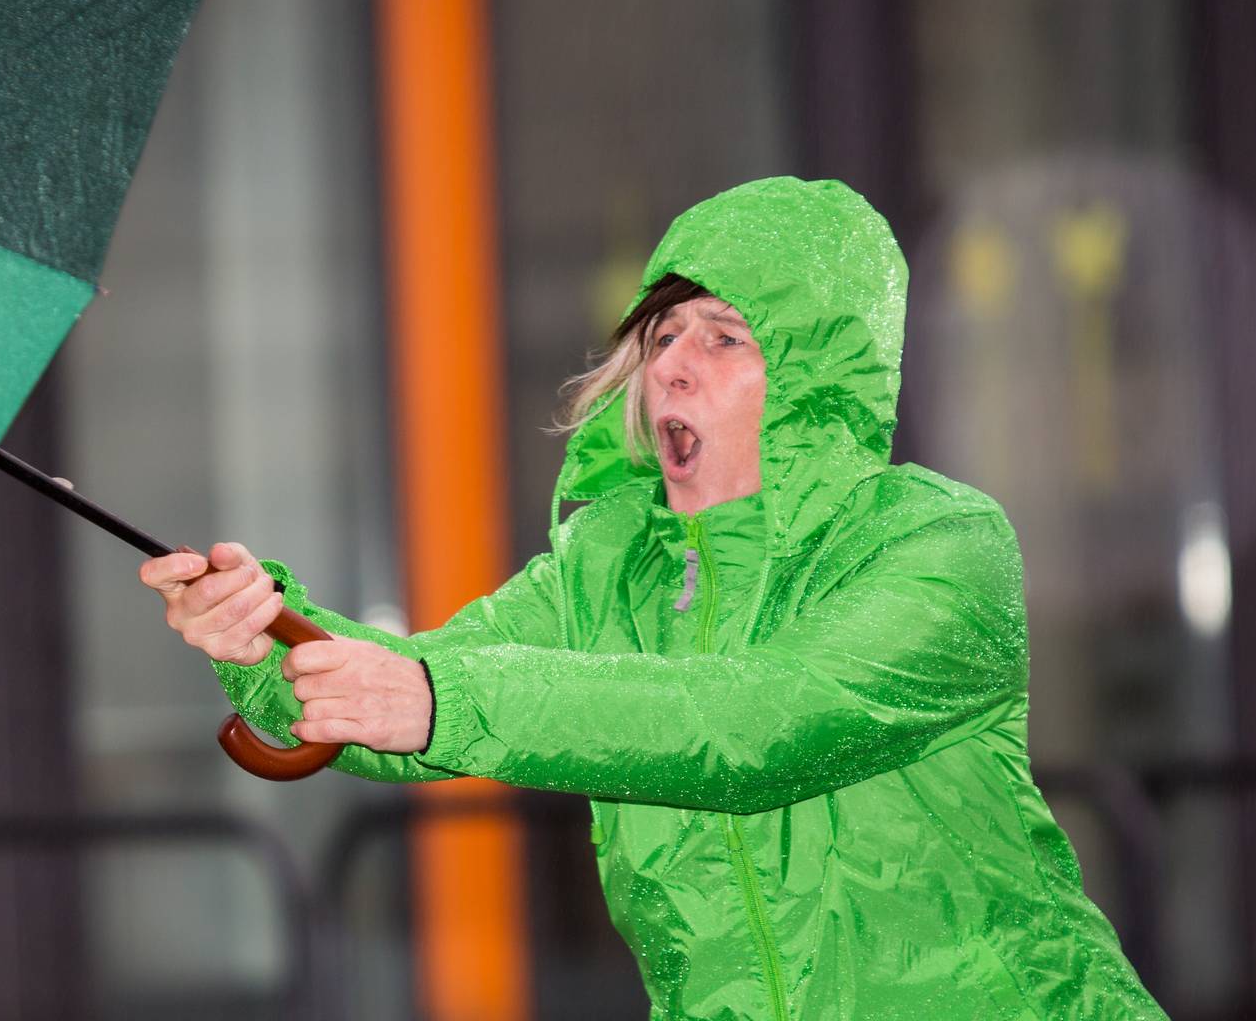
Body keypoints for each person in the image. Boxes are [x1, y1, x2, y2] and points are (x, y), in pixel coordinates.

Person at [141, 177, 1165, 1018]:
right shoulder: (607, 566)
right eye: (664, 333)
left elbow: (761, 721)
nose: (673, 363)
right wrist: (262, 634)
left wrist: (439, 696)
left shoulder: (938, 543)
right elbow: (412, 692)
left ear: (815, 380)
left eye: (726, 337)